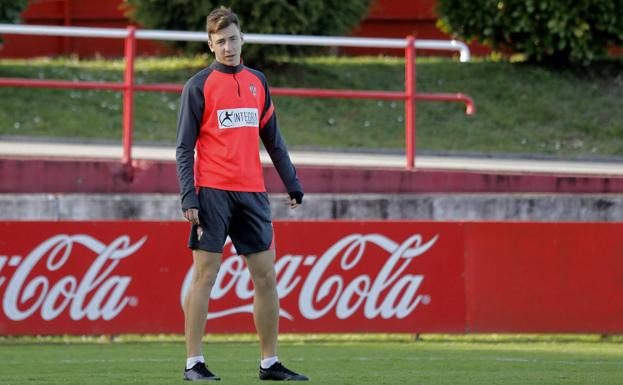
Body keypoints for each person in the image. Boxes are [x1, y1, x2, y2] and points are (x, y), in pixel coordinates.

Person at [175, 6, 308, 382]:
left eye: (233, 39)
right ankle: (194, 364)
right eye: (220, 42)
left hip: (253, 194)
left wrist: (292, 182)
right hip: (212, 192)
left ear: (242, 38)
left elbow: (274, 140)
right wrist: (189, 197)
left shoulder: (258, 82)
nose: (228, 47)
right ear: (210, 45)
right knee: (205, 277)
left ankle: (269, 364)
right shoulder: (198, 86)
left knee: (266, 277)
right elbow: (184, 148)